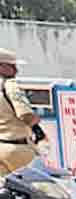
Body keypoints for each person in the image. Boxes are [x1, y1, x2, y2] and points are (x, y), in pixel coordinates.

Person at [0, 48, 39, 177]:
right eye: (12, 66)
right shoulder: (10, 85)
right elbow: (25, 115)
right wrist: (35, 120)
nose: (16, 70)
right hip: (17, 149)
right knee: (40, 188)